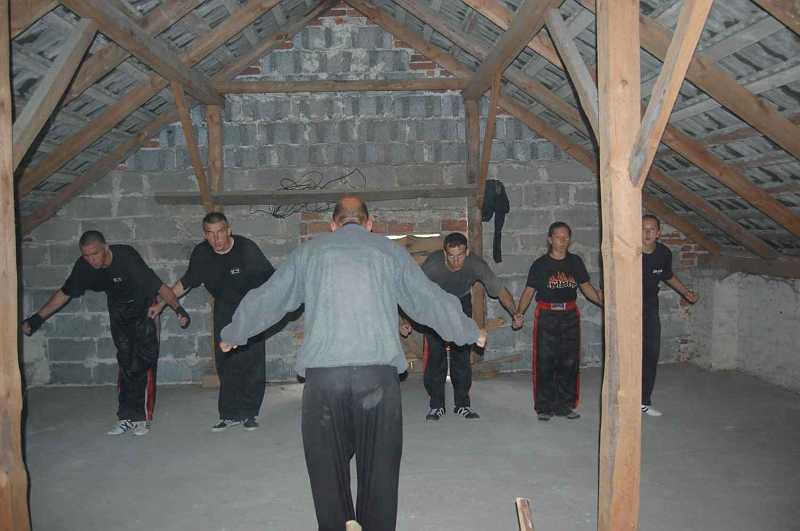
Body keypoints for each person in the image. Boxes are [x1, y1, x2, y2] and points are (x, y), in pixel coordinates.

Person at [219, 196, 486, 531]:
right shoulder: (389, 252)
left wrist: (236, 331)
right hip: (377, 381)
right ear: (369, 223)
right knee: (380, 474)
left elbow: (271, 295)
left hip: (324, 383)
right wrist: (468, 331)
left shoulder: (310, 252)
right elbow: (427, 298)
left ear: (333, 225)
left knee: (327, 475)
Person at [21, 230, 189, 436]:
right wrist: (36, 319)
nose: (91, 260)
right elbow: (63, 294)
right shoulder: (84, 267)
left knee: (143, 361)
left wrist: (178, 309)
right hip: (118, 309)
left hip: (145, 306)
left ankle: (141, 417)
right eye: (86, 255)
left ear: (106, 248)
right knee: (125, 361)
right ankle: (126, 416)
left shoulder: (127, 257)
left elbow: (160, 287)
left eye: (95, 254)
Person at [152, 212, 274, 432]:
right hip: (224, 308)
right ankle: (229, 414)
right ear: (205, 235)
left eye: (220, 232)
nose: (216, 239)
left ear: (228, 230)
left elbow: (271, 281)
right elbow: (186, 283)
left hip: (251, 307)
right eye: (210, 234)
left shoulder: (246, 249)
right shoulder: (202, 253)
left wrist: (267, 310)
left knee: (252, 362)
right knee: (226, 362)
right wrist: (161, 304)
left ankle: (249, 413)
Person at [414, 232, 518, 421]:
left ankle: (462, 404)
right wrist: (406, 322)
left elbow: (500, 290)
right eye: (451, 256)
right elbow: (412, 294)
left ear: (467, 252)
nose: (456, 261)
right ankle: (436, 405)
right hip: (436, 305)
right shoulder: (432, 265)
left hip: (461, 303)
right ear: (444, 253)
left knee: (461, 355)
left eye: (460, 255)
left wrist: (515, 313)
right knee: (436, 355)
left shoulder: (476, 264)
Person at [514, 222, 603, 421]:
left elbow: (586, 287)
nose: (562, 241)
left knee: (569, 362)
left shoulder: (575, 262)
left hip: (570, 315)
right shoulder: (540, 265)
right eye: (558, 237)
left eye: (566, 237)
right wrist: (519, 313)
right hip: (547, 315)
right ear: (550, 239)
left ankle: (564, 405)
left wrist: (604, 303)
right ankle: (544, 407)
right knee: (545, 362)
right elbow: (528, 292)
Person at [641, 214, 698, 417]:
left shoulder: (663, 253)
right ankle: (622, 400)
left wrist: (686, 292)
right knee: (626, 353)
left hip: (649, 305)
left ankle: (643, 401)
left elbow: (668, 276)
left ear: (658, 233)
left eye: (651, 229)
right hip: (626, 304)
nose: (647, 232)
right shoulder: (628, 252)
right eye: (643, 228)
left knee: (650, 353)